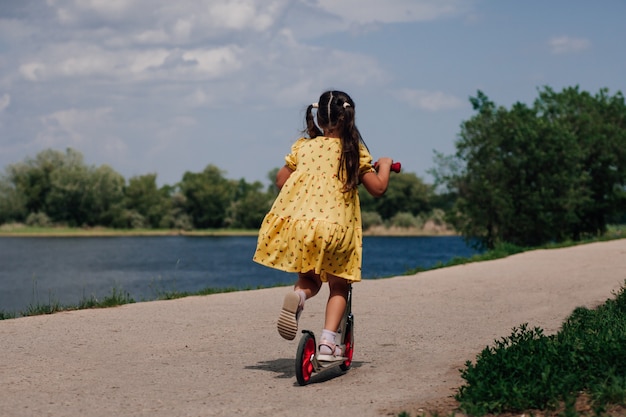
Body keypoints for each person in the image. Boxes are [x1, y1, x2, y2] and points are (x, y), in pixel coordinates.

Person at [253, 90, 393, 360]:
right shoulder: (354, 151)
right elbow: (378, 188)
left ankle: (300, 297)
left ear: (319, 118)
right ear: (348, 117)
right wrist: (384, 165)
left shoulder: (304, 147)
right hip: (335, 226)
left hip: (302, 225)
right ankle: (328, 344)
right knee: (339, 285)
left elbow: (281, 181)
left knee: (309, 279)